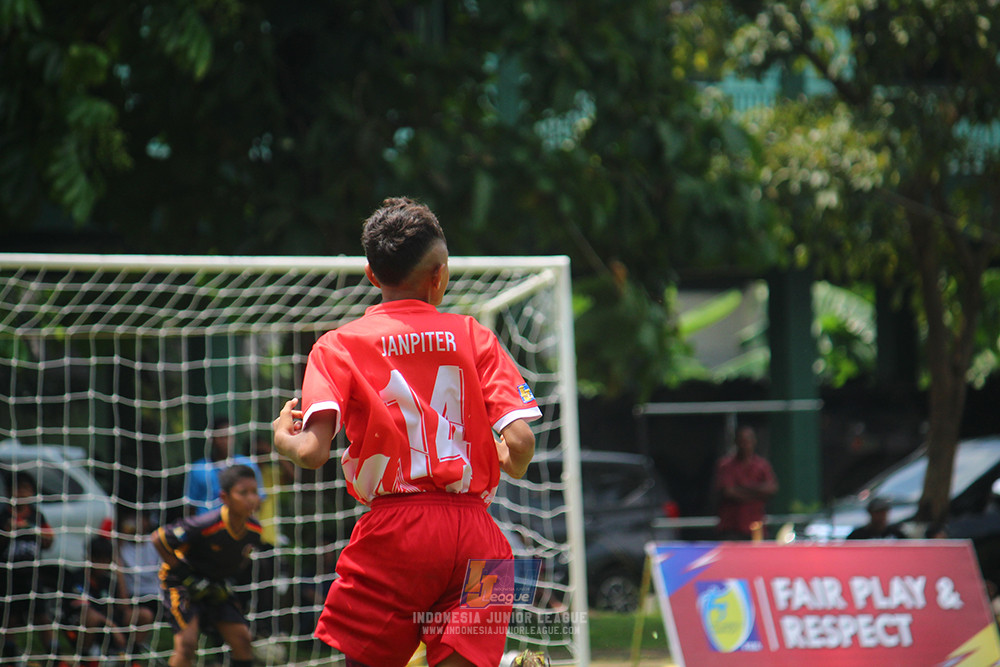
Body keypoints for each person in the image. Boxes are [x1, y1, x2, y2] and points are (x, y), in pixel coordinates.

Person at [272, 196, 542, 667]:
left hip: (398, 534)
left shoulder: (337, 346)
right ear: (439, 275)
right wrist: (506, 462)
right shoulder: (474, 334)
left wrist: (281, 437)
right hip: (482, 538)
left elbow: (313, 451)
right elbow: (520, 442)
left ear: (372, 275)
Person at [152, 464, 264, 667]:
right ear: (225, 498)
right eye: (243, 493)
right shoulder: (205, 524)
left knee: (242, 640)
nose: (251, 498)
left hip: (216, 585)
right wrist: (184, 574)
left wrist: (227, 581)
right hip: (182, 584)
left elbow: (243, 560)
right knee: (186, 645)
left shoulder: (254, 531)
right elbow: (158, 538)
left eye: (254, 492)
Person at [0, 470, 60, 661]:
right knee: (10, 619)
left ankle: (53, 656)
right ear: (9, 492)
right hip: (9, 576)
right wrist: (8, 530)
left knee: (43, 617)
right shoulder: (4, 514)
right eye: (17, 490)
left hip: (33, 576)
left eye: (26, 489)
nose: (22, 494)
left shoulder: (36, 515)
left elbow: (50, 541)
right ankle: (11, 657)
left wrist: (38, 532)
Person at [62, 535, 148, 662]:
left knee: (144, 614)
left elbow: (124, 608)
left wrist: (120, 575)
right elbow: (86, 611)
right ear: (90, 558)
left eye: (107, 561)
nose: (103, 565)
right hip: (81, 627)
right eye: (100, 560)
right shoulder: (76, 579)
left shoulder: (107, 580)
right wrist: (113, 628)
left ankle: (131, 655)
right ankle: (87, 659)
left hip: (108, 625)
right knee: (91, 617)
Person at [184, 418, 266, 518]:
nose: (225, 441)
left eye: (229, 436)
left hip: (239, 526)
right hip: (206, 528)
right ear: (212, 439)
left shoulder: (248, 465)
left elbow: (259, 500)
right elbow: (190, 507)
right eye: (221, 437)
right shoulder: (198, 469)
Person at [714, 425, 779, 540]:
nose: (745, 445)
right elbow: (729, 492)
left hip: (756, 525)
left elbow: (771, 489)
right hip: (732, 527)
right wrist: (758, 491)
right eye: (742, 441)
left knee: (757, 556)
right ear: (736, 442)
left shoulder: (762, 465)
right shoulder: (726, 465)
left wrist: (742, 488)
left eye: (748, 441)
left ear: (754, 441)